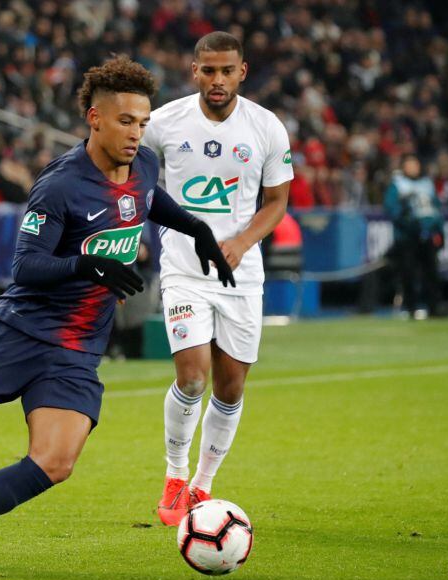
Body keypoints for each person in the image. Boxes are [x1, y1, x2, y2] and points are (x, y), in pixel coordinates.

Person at [0, 56, 234, 574]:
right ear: (94, 118)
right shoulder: (60, 185)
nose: (136, 133)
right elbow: (25, 267)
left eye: (143, 123)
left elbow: (148, 198)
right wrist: (86, 264)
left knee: (56, 463)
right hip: (20, 333)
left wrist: (197, 229)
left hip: (76, 349)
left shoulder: (141, 164)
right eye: (125, 121)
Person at [139, 32, 293, 525]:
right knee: (192, 375)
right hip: (184, 269)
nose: (218, 80)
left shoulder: (266, 128)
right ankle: (175, 475)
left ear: (242, 72)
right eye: (209, 71)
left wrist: (243, 242)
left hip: (241, 277)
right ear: (194, 71)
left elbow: (276, 203)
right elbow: (122, 166)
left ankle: (203, 486)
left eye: (227, 71)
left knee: (229, 389)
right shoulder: (164, 123)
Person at [385, 154, 444, 319]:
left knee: (431, 272)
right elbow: (391, 208)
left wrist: (438, 229)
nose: (413, 167)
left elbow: (436, 208)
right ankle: (411, 307)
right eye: (409, 164)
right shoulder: (398, 185)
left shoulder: (427, 184)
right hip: (407, 236)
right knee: (408, 272)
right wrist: (407, 221)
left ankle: (434, 307)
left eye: (415, 164)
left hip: (427, 234)